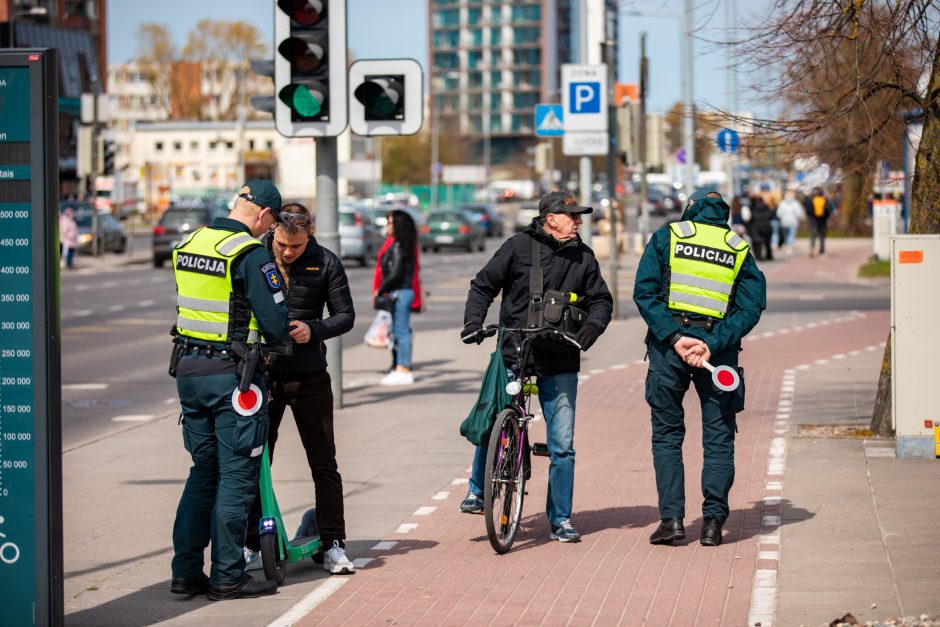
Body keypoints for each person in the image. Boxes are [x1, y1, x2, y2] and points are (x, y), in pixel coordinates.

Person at [459, 191, 613, 543]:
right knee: (492, 418)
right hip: (515, 350)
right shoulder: (517, 247)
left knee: (562, 445)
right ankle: (477, 491)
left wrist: (588, 333)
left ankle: (560, 519)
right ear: (550, 218)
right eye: (572, 215)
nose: (578, 221)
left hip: (560, 357)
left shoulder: (583, 256)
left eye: (579, 215)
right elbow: (483, 286)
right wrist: (473, 325)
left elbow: (602, 300)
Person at [169, 180, 290, 600]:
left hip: (189, 371)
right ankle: (227, 575)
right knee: (236, 478)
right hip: (234, 378)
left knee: (202, 472)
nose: (269, 231)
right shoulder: (248, 254)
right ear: (262, 214)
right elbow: (274, 322)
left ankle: (185, 572)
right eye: (271, 222)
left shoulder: (190, 242)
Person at [633, 188, 766, 547]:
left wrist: (675, 337)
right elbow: (751, 307)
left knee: (667, 435)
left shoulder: (668, 238)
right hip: (717, 356)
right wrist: (713, 342)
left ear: (689, 210)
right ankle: (713, 524)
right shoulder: (739, 249)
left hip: (668, 351)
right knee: (719, 438)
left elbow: (644, 293)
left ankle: (673, 522)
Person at [245, 202, 357, 575]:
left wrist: (315, 329)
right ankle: (250, 543)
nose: (288, 253)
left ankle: (333, 544)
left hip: (310, 376)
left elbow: (346, 315)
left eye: (295, 246)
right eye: (282, 245)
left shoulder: (326, 261)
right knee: (256, 461)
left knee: (324, 461)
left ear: (309, 233)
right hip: (265, 375)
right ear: (273, 233)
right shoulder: (255, 256)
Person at [373, 209, 421, 385]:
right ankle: (400, 366)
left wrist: (381, 289)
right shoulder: (401, 244)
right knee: (399, 331)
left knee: (402, 332)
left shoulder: (400, 245)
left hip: (401, 292)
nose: (388, 226)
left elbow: (395, 273)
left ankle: (404, 369)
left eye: (390, 222)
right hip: (400, 292)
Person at [804, 187, 834, 256]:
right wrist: (826, 217)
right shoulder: (825, 200)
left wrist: (811, 218)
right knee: (822, 236)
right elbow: (828, 211)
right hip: (823, 221)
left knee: (813, 235)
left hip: (814, 220)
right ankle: (821, 251)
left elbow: (809, 211)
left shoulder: (812, 200)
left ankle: (812, 249)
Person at [775, 190, 805, 259]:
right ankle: (789, 248)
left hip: (784, 222)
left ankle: (788, 247)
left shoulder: (782, 203)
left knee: (787, 236)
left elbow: (778, 214)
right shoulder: (796, 203)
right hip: (793, 222)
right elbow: (799, 213)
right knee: (791, 235)